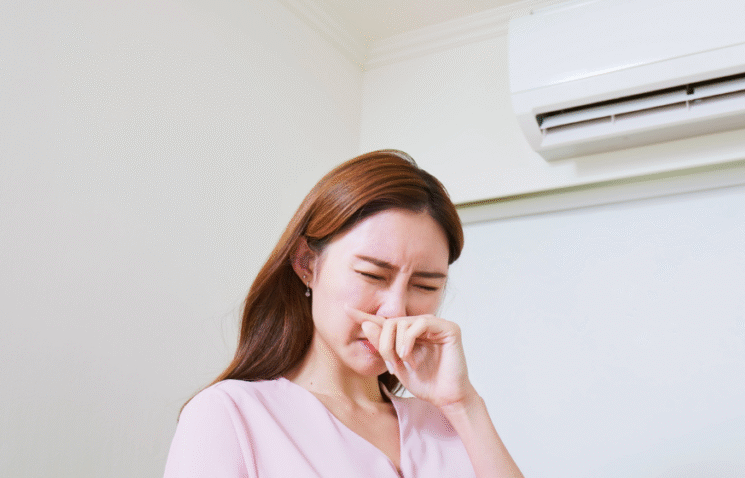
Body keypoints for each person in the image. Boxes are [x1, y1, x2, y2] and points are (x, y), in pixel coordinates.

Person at [163, 150, 523, 478]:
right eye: (372, 275)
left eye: (425, 286)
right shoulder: (230, 415)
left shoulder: (448, 424)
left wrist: (465, 404)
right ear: (306, 263)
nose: (396, 310)